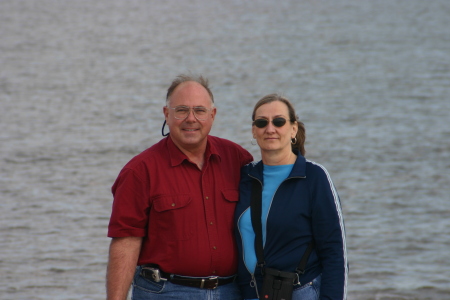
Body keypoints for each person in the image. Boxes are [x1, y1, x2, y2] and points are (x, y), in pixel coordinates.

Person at [106, 74, 253, 300]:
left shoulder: (237, 159)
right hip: (166, 292)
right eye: (181, 110)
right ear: (167, 113)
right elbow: (126, 242)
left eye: (200, 111)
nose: (191, 119)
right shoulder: (139, 171)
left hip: (232, 291)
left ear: (212, 115)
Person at [234, 94, 348, 300]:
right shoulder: (246, 177)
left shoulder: (314, 177)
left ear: (293, 129)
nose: (270, 129)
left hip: (300, 292)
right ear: (253, 131)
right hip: (251, 293)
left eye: (279, 121)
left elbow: (335, 253)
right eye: (262, 123)